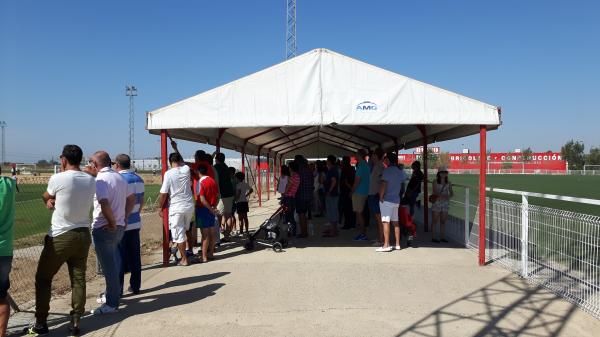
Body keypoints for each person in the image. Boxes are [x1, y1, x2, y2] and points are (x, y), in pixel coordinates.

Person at [26, 145, 96, 335]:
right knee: (78, 279)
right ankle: (76, 322)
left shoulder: (58, 178)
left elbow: (46, 195)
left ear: (64, 159)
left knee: (43, 278)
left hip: (61, 235)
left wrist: (49, 201)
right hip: (83, 233)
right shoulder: (90, 180)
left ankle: (41, 322)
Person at [87, 151, 130, 315]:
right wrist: (123, 219)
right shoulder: (119, 177)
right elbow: (131, 198)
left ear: (95, 164)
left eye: (91, 162)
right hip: (118, 226)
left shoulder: (101, 179)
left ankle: (112, 303)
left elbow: (103, 203)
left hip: (105, 228)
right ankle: (112, 295)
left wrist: (112, 222)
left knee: (109, 267)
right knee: (113, 263)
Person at [114, 154, 145, 296]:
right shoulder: (139, 179)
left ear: (117, 165)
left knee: (119, 257)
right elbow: (142, 200)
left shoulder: (119, 179)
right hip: (135, 221)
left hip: (122, 222)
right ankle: (135, 286)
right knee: (135, 256)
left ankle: (118, 289)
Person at [159, 152, 195, 265]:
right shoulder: (186, 169)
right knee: (185, 230)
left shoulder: (168, 174)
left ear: (170, 162)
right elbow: (183, 162)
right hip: (189, 206)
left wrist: (160, 207)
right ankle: (186, 252)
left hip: (177, 207)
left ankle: (184, 259)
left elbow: (163, 193)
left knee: (178, 235)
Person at [376, 152, 406, 252]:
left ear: (388, 160)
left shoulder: (387, 171)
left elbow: (384, 184)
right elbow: (402, 186)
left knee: (385, 222)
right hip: (396, 200)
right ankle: (397, 244)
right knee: (396, 222)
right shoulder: (400, 171)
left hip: (387, 200)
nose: (384, 161)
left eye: (385, 159)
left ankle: (386, 245)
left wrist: (380, 196)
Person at [0, 166, 15, 337]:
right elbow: (12, 178)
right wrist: (12, 170)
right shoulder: (9, 185)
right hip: (5, 249)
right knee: (1, 296)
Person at [194, 165, 219, 263]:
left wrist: (210, 208)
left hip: (203, 209)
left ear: (198, 172)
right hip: (211, 208)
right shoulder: (212, 181)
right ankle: (211, 254)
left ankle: (203, 257)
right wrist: (213, 207)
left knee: (205, 235)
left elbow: (202, 199)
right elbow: (217, 195)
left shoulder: (200, 182)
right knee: (212, 233)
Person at [213, 153, 235, 239]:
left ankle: (217, 235)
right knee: (228, 214)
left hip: (222, 194)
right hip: (230, 193)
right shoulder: (226, 167)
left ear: (216, 159)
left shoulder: (216, 167)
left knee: (218, 214)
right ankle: (227, 236)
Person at [352, 149, 370, 241]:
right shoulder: (366, 165)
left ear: (359, 155)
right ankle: (362, 232)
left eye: (356, 154)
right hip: (365, 192)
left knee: (359, 214)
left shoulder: (360, 165)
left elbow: (357, 181)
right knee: (361, 213)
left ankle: (363, 234)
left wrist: (352, 191)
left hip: (359, 192)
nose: (354, 155)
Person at [431, 167, 454, 243]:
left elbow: (451, 193)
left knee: (443, 221)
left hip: (445, 203)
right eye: (442, 172)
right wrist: (441, 196)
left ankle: (442, 237)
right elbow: (434, 192)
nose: (443, 174)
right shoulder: (435, 182)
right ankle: (433, 237)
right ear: (439, 173)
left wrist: (448, 196)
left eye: (445, 172)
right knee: (435, 220)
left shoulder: (449, 183)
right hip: (437, 202)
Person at [368, 148, 385, 246]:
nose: (372, 156)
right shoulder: (376, 166)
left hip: (375, 195)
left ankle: (381, 240)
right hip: (373, 194)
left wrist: (379, 194)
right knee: (378, 218)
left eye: (373, 155)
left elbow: (382, 181)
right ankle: (380, 238)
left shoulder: (379, 166)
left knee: (380, 219)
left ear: (377, 156)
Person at [294, 155, 314, 238]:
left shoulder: (299, 171)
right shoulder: (308, 169)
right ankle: (305, 231)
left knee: (301, 214)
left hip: (301, 195)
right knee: (304, 214)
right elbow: (312, 182)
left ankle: (304, 233)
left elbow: (297, 183)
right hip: (309, 195)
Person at [322, 155, 339, 237]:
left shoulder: (333, 170)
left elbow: (334, 181)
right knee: (332, 211)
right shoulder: (332, 169)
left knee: (332, 212)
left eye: (327, 160)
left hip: (332, 194)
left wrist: (329, 191)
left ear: (329, 161)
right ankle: (333, 229)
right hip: (332, 193)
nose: (326, 161)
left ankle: (333, 231)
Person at [282, 162, 300, 236]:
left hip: (288, 198)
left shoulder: (293, 177)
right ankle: (293, 231)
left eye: (289, 167)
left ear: (291, 168)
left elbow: (288, 187)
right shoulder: (297, 176)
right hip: (292, 197)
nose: (288, 168)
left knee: (288, 216)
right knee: (291, 215)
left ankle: (291, 231)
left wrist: (283, 193)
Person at [339, 156, 355, 229]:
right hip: (350, 190)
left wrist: (350, 189)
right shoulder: (352, 168)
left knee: (346, 209)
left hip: (346, 191)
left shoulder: (345, 169)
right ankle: (352, 223)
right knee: (351, 208)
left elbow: (345, 181)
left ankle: (347, 224)